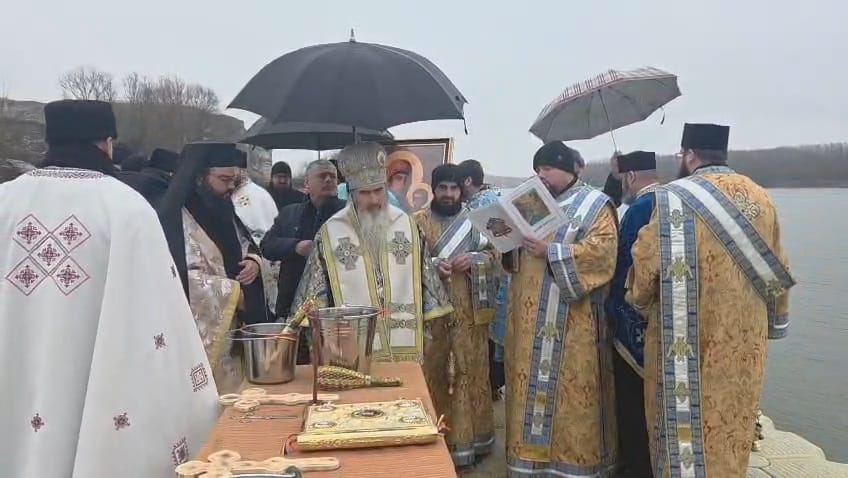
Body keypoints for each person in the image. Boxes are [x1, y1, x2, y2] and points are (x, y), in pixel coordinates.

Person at [0, 100, 218, 476]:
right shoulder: (125, 208)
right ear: (107, 142)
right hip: (100, 386)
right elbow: (159, 325)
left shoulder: (4, 202)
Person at [627, 124, 794, 478]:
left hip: (682, 339)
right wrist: (776, 321)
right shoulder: (761, 196)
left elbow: (645, 264)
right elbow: (779, 267)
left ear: (690, 155)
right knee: (730, 424)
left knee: (680, 424)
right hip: (743, 338)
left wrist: (637, 300)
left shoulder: (671, 197)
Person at [505, 141, 619, 477]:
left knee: (573, 400)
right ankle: (528, 463)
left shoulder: (595, 204)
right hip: (528, 322)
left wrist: (551, 252)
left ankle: (573, 466)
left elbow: (603, 254)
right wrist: (505, 244)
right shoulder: (528, 202)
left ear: (569, 170)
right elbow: (510, 257)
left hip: (574, 324)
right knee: (527, 391)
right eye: (538, 169)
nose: (542, 175)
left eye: (549, 169)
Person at [291, 142, 453, 362]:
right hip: (352, 350)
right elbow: (314, 296)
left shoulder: (407, 225)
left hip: (404, 348)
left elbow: (427, 286)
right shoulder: (331, 233)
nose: (375, 200)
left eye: (379, 191)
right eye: (366, 193)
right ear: (351, 193)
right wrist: (320, 338)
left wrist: (426, 331)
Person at [157, 142, 272, 393]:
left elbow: (247, 244)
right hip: (199, 341)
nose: (231, 187)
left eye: (234, 180)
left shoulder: (223, 209)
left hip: (237, 334)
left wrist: (254, 261)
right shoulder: (175, 218)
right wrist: (234, 294)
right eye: (224, 179)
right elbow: (181, 277)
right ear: (200, 177)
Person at [414, 164, 499, 466]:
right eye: (443, 189)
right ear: (433, 190)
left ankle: (472, 441)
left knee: (469, 373)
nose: (449, 194)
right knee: (434, 374)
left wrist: (476, 260)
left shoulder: (478, 221)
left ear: (461, 189)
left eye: (454, 189)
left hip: (469, 315)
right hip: (432, 318)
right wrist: (433, 265)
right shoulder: (417, 222)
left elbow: (497, 257)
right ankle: (434, 440)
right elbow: (408, 262)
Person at [604, 150, 659, 478]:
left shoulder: (639, 208)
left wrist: (611, 307)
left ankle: (633, 465)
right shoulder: (671, 200)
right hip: (662, 318)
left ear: (631, 177)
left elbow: (620, 260)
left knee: (631, 401)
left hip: (632, 320)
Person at [261, 159, 345, 363]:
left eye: (332, 176)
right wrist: (295, 247)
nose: (328, 180)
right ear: (307, 184)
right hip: (292, 304)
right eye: (322, 176)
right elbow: (267, 246)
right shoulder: (290, 213)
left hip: (334, 308)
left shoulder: (348, 214)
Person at [457, 158, 507, 398]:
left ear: (467, 181)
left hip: (490, 282)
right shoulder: (486, 200)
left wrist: (474, 257)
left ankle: (491, 384)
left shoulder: (485, 205)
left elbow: (500, 245)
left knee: (488, 334)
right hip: (486, 281)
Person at [231, 149, 280, 313]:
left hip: (255, 282)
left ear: (240, 170)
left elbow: (265, 240)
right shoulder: (231, 194)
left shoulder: (252, 197)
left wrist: (257, 261)